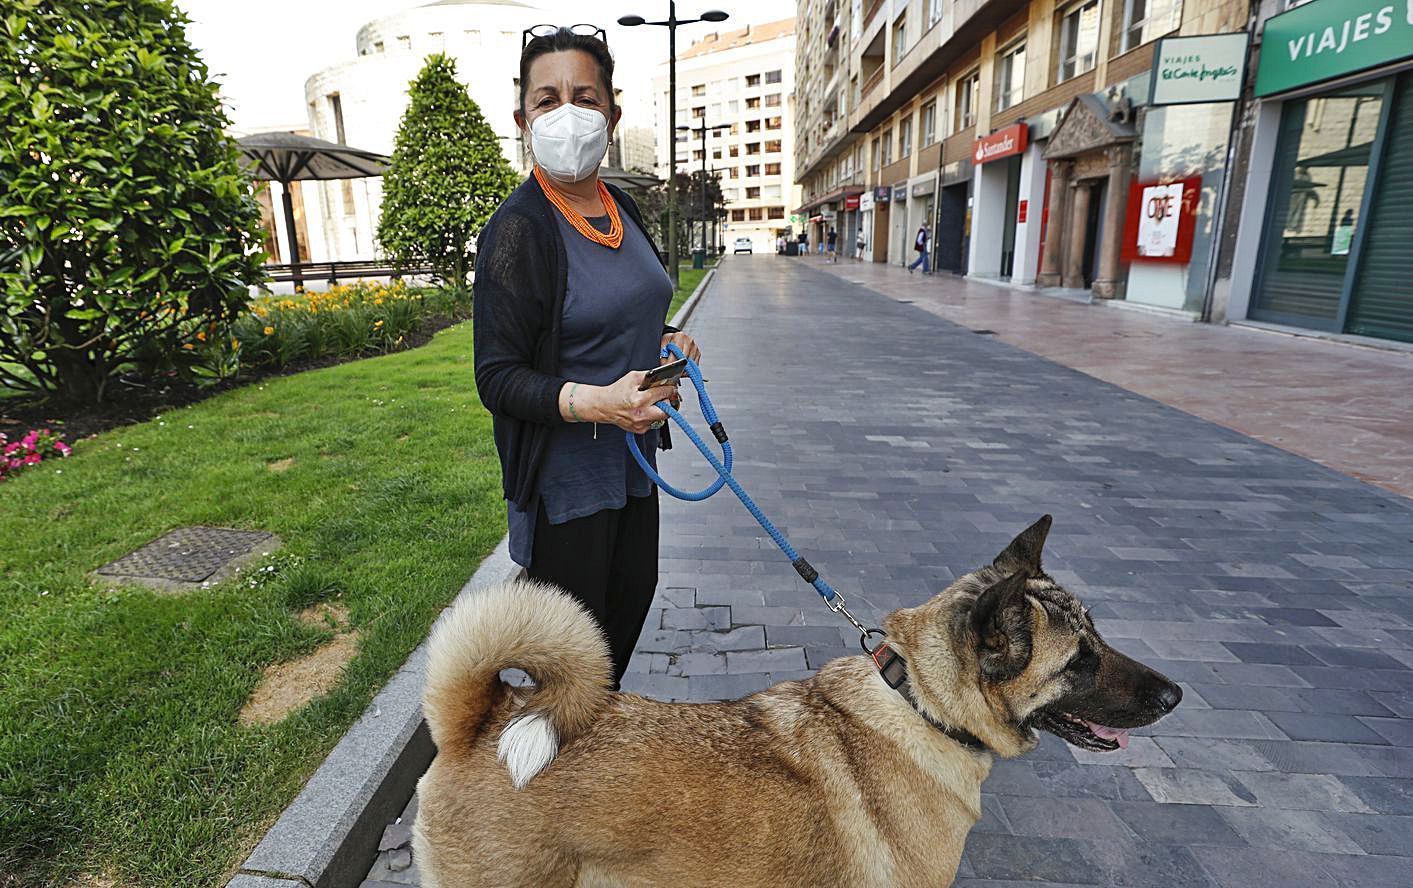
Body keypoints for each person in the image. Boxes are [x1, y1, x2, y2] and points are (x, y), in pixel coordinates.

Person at [473, 24, 701, 688]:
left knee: (620, 630)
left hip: (632, 467)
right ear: (522, 118)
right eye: (547, 100)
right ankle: (553, 784)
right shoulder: (519, 231)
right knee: (574, 671)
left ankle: (586, 771)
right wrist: (598, 401)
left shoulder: (619, 204)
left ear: (612, 113)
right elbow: (497, 376)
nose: (567, 113)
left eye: (585, 96)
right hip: (567, 485)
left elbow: (623, 304)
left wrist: (663, 338)